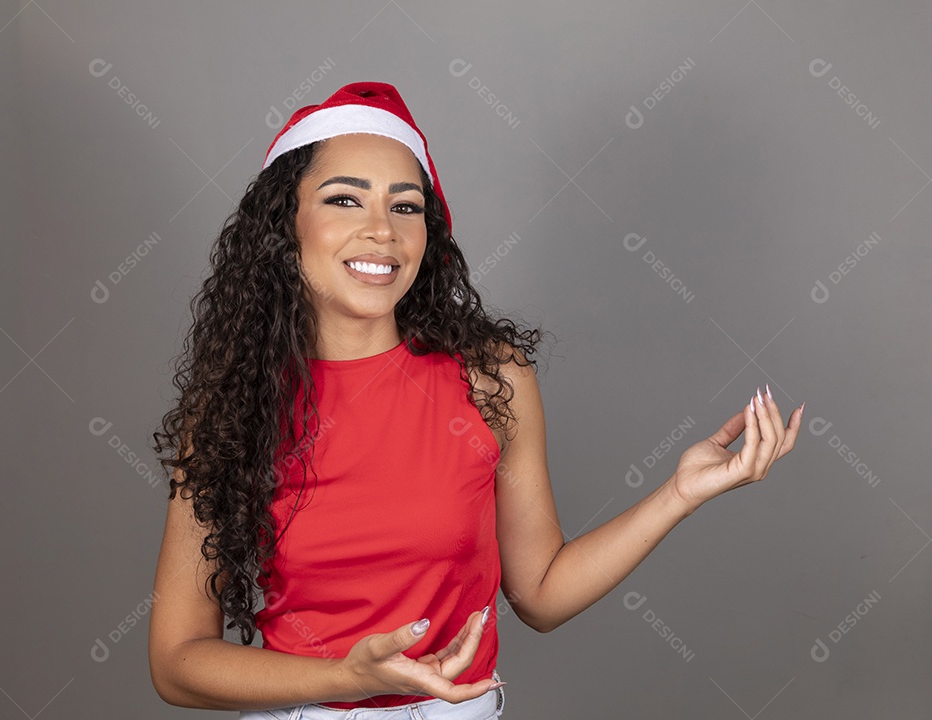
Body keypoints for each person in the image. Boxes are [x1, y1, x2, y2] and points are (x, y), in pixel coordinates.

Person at [146, 81, 804, 720]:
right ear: (284, 227)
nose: (382, 231)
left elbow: (540, 592)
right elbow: (177, 663)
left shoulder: (491, 380)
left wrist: (680, 493)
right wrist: (345, 677)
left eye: (406, 206)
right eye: (345, 200)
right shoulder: (234, 409)